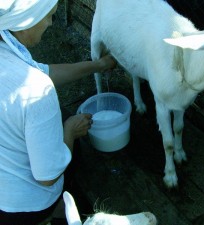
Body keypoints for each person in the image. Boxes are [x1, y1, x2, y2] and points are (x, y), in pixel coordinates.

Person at [0, 1, 116, 224]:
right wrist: (70, 131)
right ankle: (58, 210)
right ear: (25, 23)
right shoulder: (36, 91)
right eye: (48, 16)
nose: (51, 23)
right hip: (21, 208)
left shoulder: (7, 48)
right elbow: (47, 177)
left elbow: (43, 71)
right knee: (70, 142)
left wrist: (97, 65)